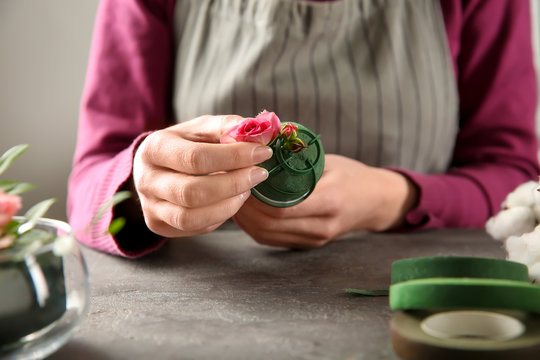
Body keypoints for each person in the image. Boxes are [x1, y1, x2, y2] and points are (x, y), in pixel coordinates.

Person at [68, 0, 540, 257]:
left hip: (405, 296)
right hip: (212, 298)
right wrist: (142, 180)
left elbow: (516, 178)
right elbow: (89, 188)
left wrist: (394, 198)